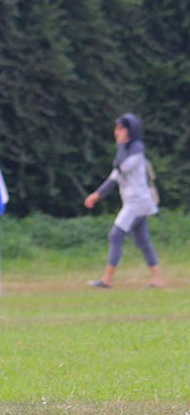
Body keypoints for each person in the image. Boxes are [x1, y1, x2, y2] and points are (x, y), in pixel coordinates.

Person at [83, 113, 164, 288]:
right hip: (133, 202)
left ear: (130, 130)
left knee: (115, 235)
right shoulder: (125, 151)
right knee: (142, 240)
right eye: (116, 128)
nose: (117, 132)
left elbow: (122, 167)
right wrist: (96, 195)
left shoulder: (136, 149)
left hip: (137, 202)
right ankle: (157, 279)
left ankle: (107, 280)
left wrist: (120, 145)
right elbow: (114, 178)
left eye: (121, 128)